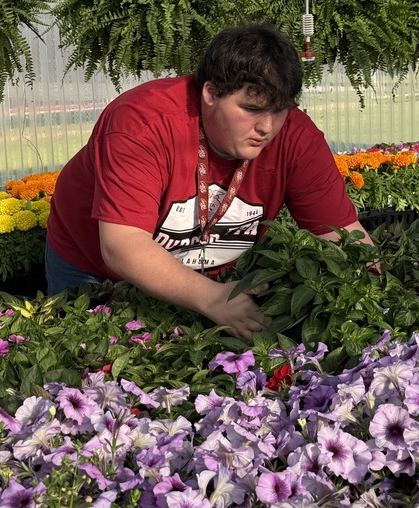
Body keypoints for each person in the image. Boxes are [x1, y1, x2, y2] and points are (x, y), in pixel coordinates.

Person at [46, 23, 373, 340]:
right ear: (211, 94)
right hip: (95, 268)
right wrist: (212, 299)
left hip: (212, 278)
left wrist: (382, 296)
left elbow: (342, 235)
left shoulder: (297, 137)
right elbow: (122, 245)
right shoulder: (142, 122)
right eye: (252, 109)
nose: (268, 127)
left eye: (281, 110)